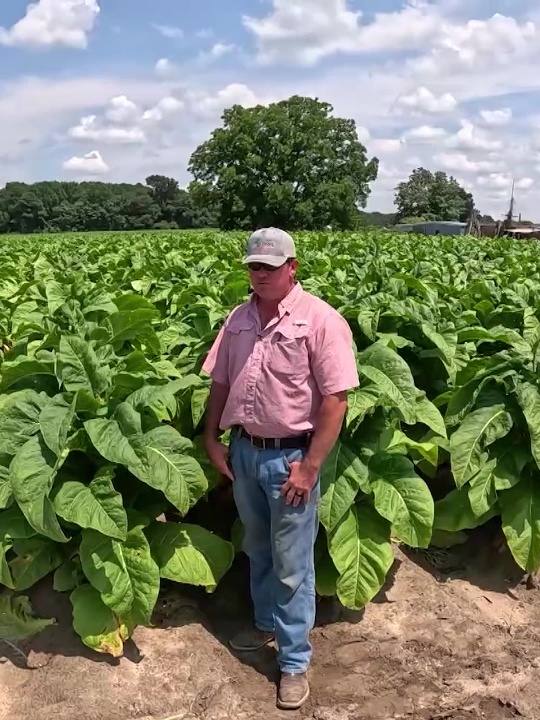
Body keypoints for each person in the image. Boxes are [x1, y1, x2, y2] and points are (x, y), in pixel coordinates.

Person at [202, 227, 359, 710]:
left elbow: (335, 400)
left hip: (291, 459)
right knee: (257, 547)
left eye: (270, 266)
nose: (261, 274)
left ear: (292, 267)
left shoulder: (321, 320)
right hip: (245, 452)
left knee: (292, 564)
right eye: (254, 266)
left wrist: (310, 467)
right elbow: (221, 381)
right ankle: (265, 624)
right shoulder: (238, 318)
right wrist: (211, 437)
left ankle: (293, 662)